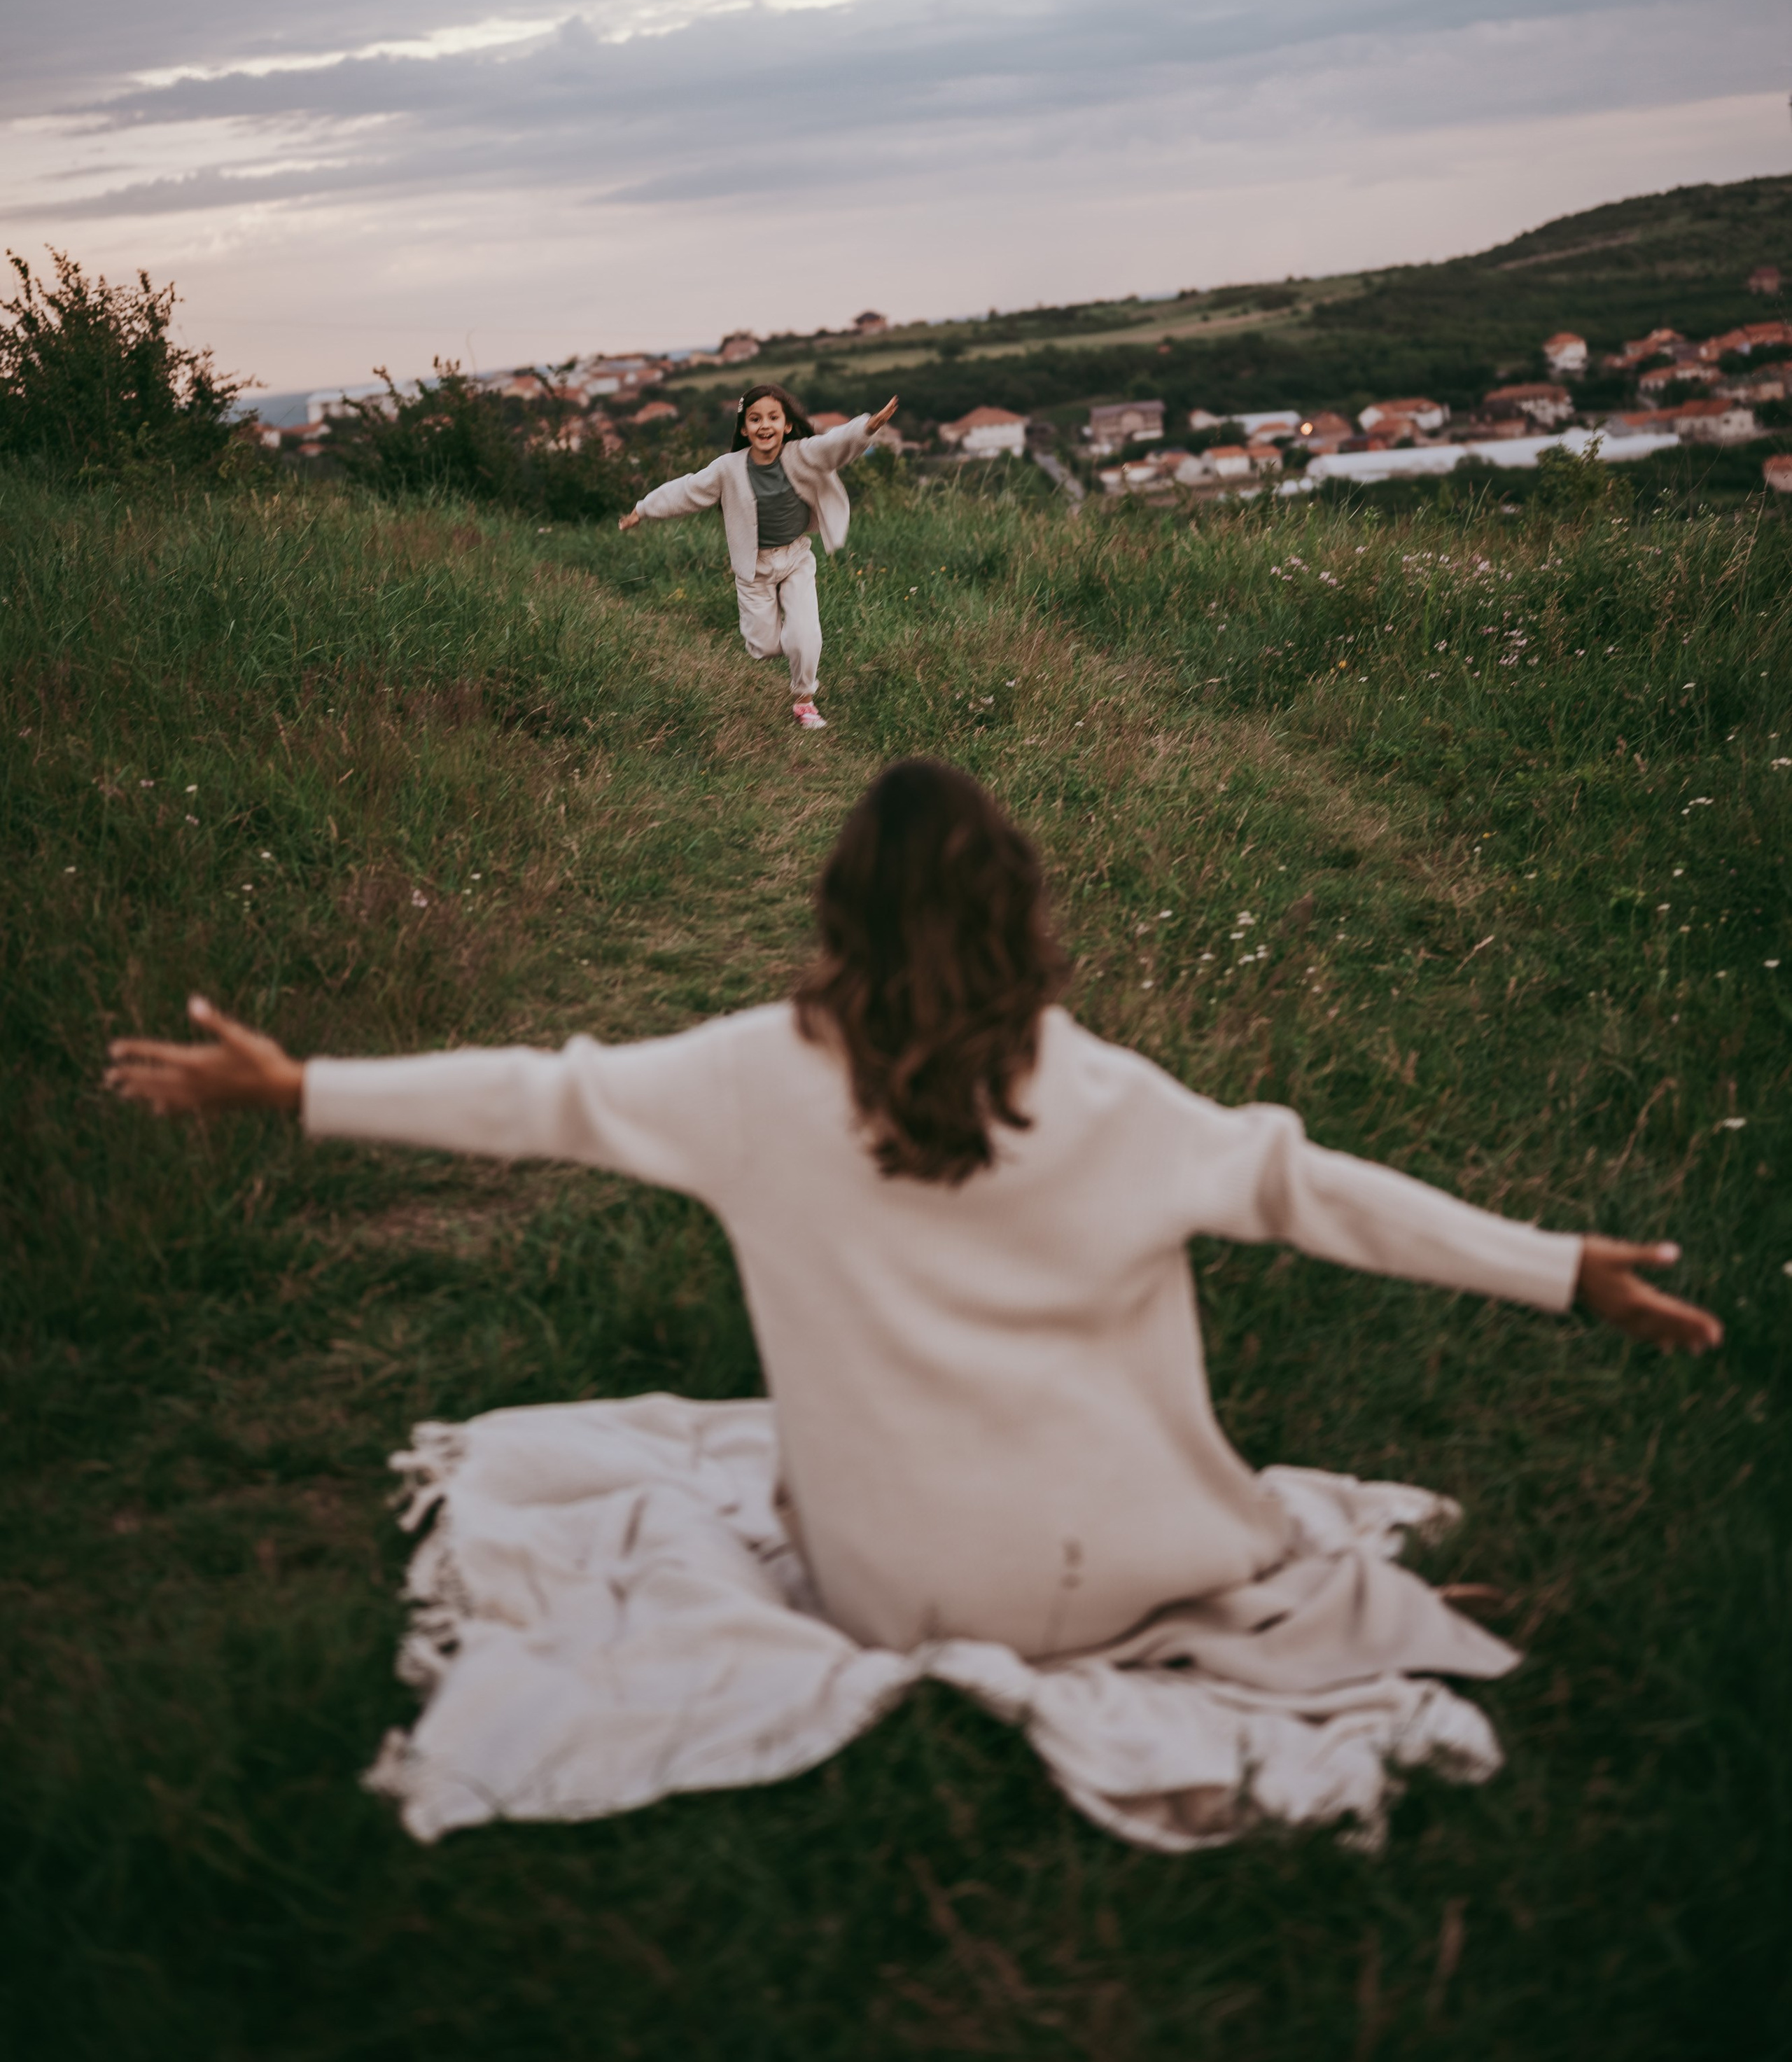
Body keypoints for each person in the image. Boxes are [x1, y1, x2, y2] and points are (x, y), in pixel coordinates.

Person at [105, 759, 1718, 1675]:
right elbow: (1317, 1192)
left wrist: (296, 1083)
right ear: (1021, 909)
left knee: (751, 1462)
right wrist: (1557, 1268)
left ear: (831, 916)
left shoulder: (747, 1075)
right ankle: (1232, 1575)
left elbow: (538, 1095)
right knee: (1238, 1480)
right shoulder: (1109, 1098)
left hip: (894, 1596)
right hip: (1130, 1576)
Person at [617, 385, 899, 731]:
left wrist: (867, 428)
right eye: (755, 419)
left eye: (772, 417)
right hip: (755, 569)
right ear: (744, 429)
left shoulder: (802, 453)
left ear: (787, 425)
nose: (764, 425)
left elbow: (833, 445)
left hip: (796, 558)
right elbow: (686, 490)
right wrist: (642, 510)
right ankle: (786, 642)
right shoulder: (727, 469)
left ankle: (804, 700)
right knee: (763, 647)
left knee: (805, 634)